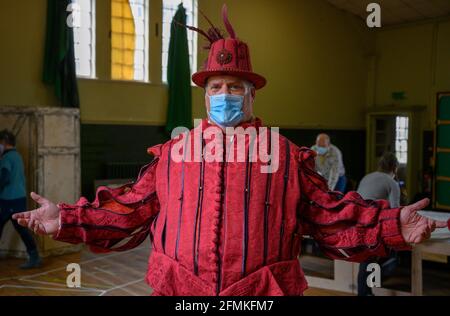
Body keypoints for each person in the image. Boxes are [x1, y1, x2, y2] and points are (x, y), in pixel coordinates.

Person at [12, 5, 447, 295]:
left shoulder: (283, 156)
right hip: (183, 294)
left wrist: (391, 225)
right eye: (216, 87)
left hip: (262, 295)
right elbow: (127, 209)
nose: (225, 95)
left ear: (251, 95)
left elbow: (330, 216)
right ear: (205, 97)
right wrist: (66, 217)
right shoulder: (173, 154)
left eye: (234, 87)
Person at [356, 152, 401, 296]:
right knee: (392, 257)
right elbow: (395, 212)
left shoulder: (367, 177)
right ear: (395, 168)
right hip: (372, 226)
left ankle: (367, 291)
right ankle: (366, 292)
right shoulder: (391, 182)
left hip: (357, 223)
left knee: (368, 259)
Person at [0, 130, 42, 269]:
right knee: (21, 228)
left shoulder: (7, 158)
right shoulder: (17, 156)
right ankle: (35, 256)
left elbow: (4, 178)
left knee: (21, 228)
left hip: (9, 199)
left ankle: (35, 257)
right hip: (18, 197)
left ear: (4, 143)